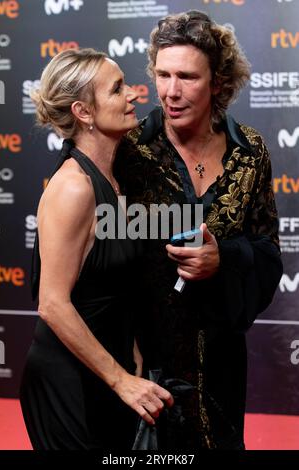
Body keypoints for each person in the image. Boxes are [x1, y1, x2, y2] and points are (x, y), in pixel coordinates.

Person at [115, 11, 283, 449]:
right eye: (163, 74)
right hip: (143, 369)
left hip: (221, 367)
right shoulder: (129, 147)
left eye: (187, 77)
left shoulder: (251, 152)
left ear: (217, 82)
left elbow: (268, 250)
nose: (171, 91)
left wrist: (223, 259)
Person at [20, 48, 173, 450]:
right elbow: (52, 303)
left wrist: (132, 356)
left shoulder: (118, 179)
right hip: (68, 384)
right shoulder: (74, 188)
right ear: (84, 112)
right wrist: (122, 380)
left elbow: (115, 285)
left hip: (109, 373)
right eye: (117, 89)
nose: (133, 95)